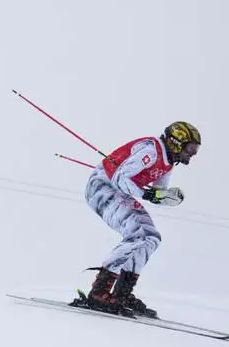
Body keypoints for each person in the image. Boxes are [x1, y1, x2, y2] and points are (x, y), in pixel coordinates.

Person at [71, 121, 202, 318]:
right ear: (176, 142)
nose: (192, 154)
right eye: (190, 148)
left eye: (195, 150)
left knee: (152, 238)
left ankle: (122, 294)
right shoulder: (151, 151)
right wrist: (146, 194)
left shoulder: (168, 161)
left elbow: (157, 192)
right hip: (102, 188)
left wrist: (167, 198)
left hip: (118, 192)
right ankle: (99, 292)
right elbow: (120, 178)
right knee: (138, 235)